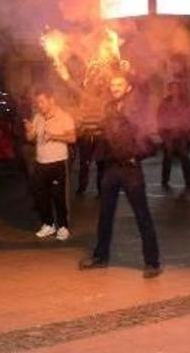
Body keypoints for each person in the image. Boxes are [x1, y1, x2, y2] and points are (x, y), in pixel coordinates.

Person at [79, 75, 162, 279]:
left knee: (142, 216)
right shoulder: (108, 108)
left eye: (119, 84)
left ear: (128, 88)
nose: (114, 87)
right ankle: (100, 257)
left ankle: (152, 262)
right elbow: (105, 133)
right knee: (105, 215)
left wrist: (137, 155)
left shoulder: (138, 109)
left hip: (130, 169)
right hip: (110, 169)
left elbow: (152, 138)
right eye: (113, 84)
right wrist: (95, 134)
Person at [25, 86, 76, 241]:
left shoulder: (64, 116)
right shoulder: (38, 117)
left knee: (59, 196)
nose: (39, 105)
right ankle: (48, 224)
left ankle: (63, 227)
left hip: (58, 162)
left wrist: (54, 136)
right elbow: (31, 139)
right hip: (41, 163)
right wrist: (29, 131)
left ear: (51, 101)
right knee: (41, 196)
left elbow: (72, 138)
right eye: (37, 102)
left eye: (42, 101)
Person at [157, 81, 190, 190]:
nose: (175, 90)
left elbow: (189, 115)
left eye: (177, 88)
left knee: (184, 157)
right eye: (173, 88)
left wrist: (188, 127)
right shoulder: (165, 102)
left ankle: (188, 181)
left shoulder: (184, 101)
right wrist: (163, 134)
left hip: (181, 132)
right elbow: (160, 118)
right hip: (169, 133)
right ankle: (165, 180)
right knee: (168, 157)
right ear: (169, 90)